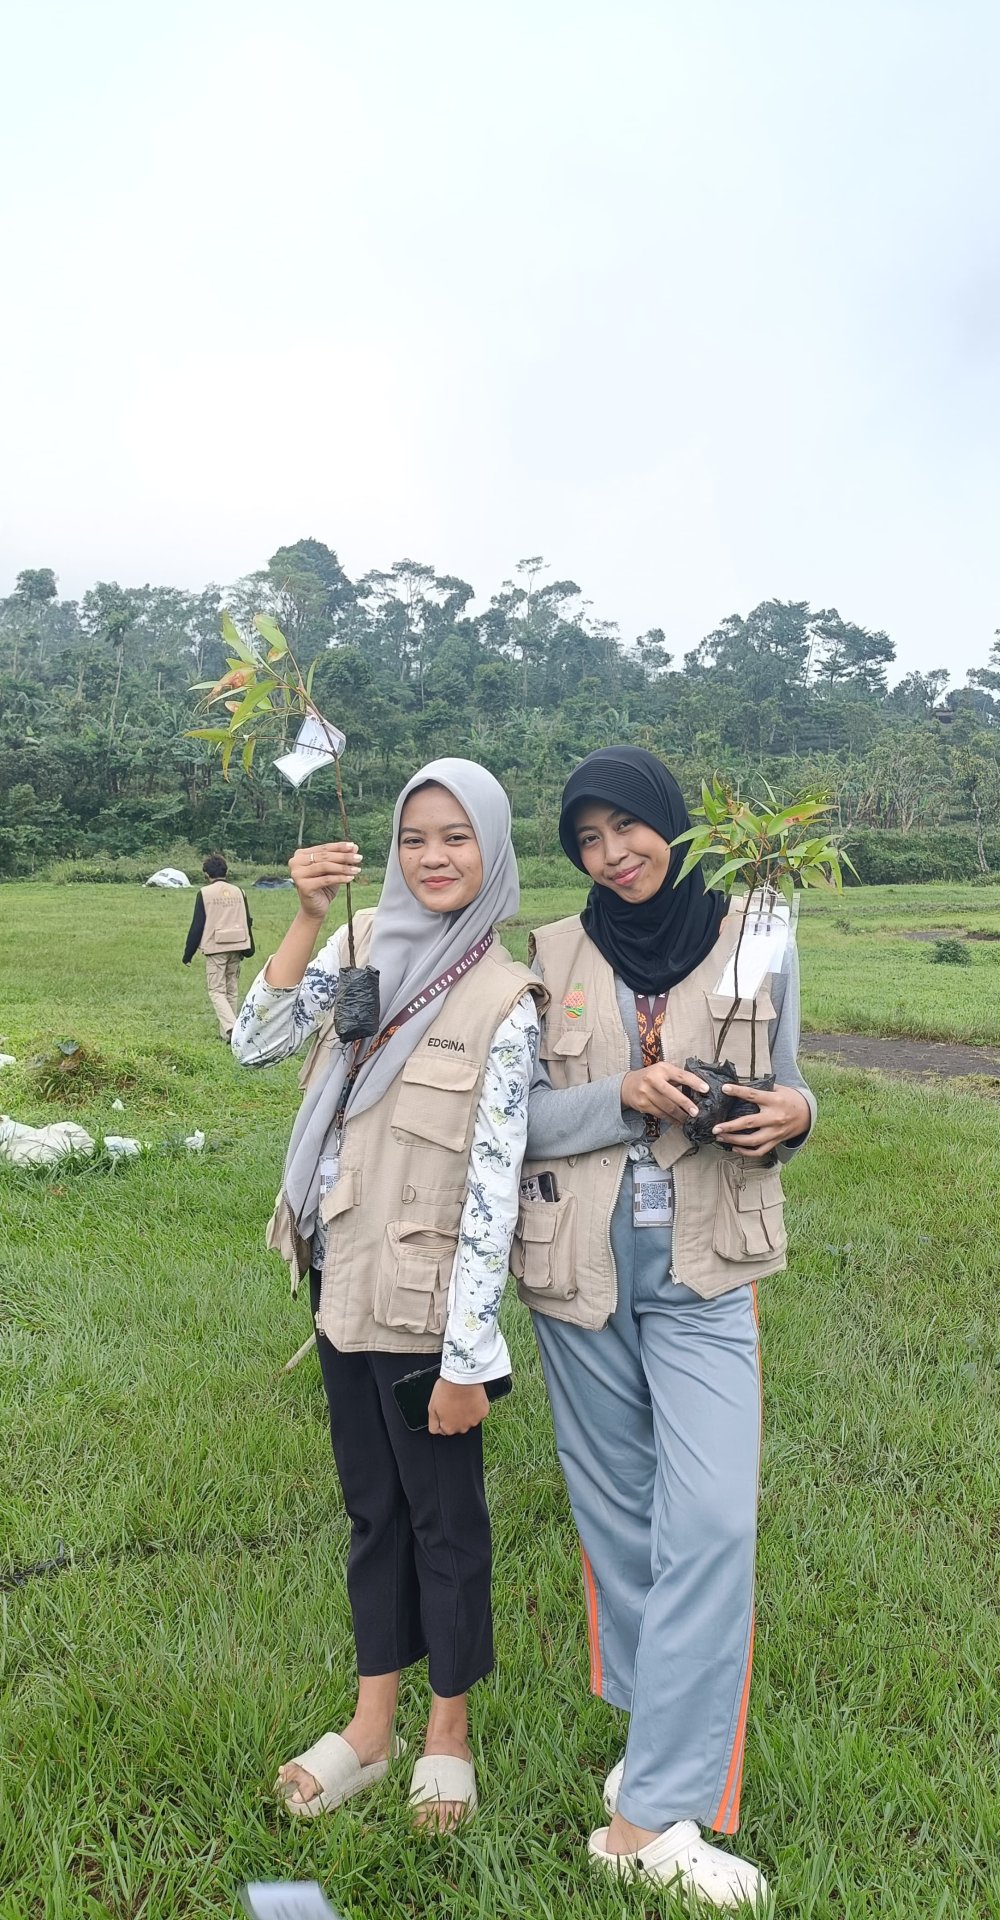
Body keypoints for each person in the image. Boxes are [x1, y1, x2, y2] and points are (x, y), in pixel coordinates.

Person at [518, 746, 815, 1910]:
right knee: (621, 1520)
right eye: (587, 840)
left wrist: (795, 1111)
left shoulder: (757, 930)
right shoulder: (551, 952)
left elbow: (787, 1088)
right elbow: (524, 1124)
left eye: (626, 829)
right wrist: (621, 1098)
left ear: (670, 825)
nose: (612, 855)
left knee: (709, 1517)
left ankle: (645, 1821)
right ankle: (654, 1760)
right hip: (576, 1271)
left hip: (705, 1266)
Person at [232, 761, 543, 1831]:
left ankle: (445, 1735)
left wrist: (469, 1359)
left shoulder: (505, 997)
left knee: (443, 1523)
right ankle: (371, 1728)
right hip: (339, 1277)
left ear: (491, 849)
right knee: (372, 1513)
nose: (434, 857)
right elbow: (252, 1042)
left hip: (426, 1305)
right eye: (414, 838)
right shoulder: (358, 947)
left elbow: (494, 1187)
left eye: (456, 837)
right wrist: (307, 914)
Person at [181, 853, 254, 1040]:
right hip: (238, 945)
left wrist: (188, 954)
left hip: (216, 948)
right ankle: (227, 1036)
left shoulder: (204, 893)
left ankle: (232, 1029)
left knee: (216, 990)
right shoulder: (239, 891)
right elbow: (247, 921)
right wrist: (249, 946)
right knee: (232, 990)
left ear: (206, 874)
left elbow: (197, 925)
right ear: (226, 871)